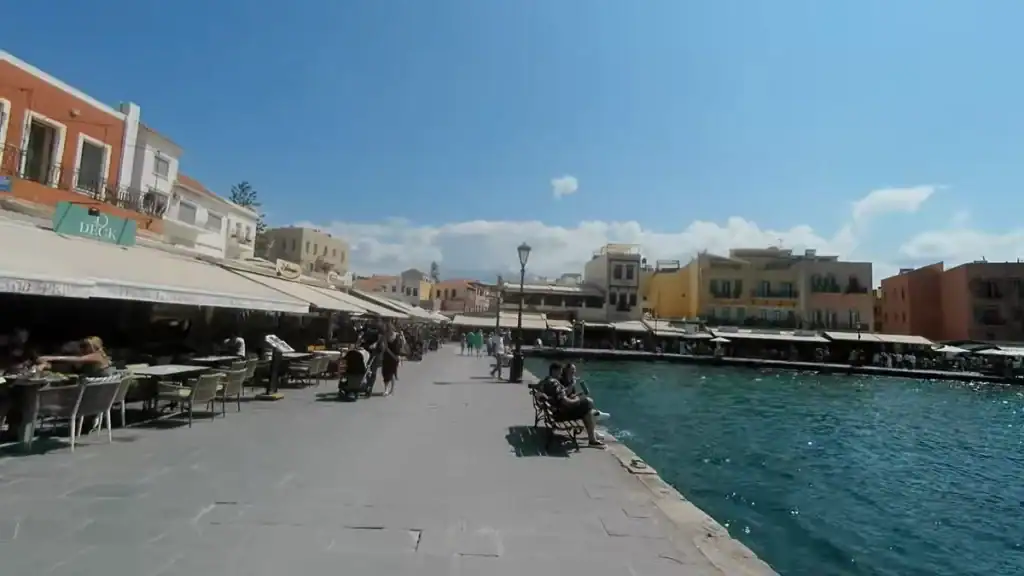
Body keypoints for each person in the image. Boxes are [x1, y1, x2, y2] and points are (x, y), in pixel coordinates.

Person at [538, 362, 604, 447]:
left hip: (556, 411)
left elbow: (561, 396)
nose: (561, 374)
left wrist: (574, 397)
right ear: (555, 371)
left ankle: (592, 438)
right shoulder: (555, 384)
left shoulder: (548, 380)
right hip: (560, 414)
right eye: (560, 371)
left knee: (587, 409)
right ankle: (592, 439)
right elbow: (566, 402)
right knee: (588, 403)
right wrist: (577, 400)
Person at [39, 336, 115, 378]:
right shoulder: (92, 360)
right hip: (97, 389)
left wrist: (50, 358)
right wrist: (48, 366)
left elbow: (77, 359)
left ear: (93, 347)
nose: (81, 348)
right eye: (81, 346)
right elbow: (75, 366)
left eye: (85, 346)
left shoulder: (98, 356)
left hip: (99, 393)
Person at [380, 324, 404, 396]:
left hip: (395, 357)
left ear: (393, 328)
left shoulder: (398, 335)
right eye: (387, 329)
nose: (389, 330)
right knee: (385, 373)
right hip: (388, 356)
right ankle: (386, 389)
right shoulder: (385, 336)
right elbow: (385, 348)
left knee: (392, 373)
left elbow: (402, 345)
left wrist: (402, 337)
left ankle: (391, 389)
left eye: (390, 328)